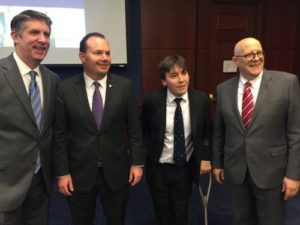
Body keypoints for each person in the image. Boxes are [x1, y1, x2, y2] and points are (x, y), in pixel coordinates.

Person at [52, 32, 145, 225]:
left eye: (108, 53)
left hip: (117, 171)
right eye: (98, 53)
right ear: (82, 57)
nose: (105, 58)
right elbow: (59, 135)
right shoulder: (65, 88)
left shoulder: (125, 86)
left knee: (116, 220)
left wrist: (137, 163)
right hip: (79, 173)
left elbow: (135, 130)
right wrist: (62, 172)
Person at [212, 37, 300, 225]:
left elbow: (295, 133)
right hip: (237, 170)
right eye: (249, 54)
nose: (256, 58)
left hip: (272, 171)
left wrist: (293, 174)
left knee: (271, 221)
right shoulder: (223, 89)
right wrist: (218, 163)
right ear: (235, 61)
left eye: (259, 53)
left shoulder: (287, 83)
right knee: (242, 219)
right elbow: (220, 131)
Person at [0, 10, 59, 225]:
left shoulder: (52, 79)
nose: (43, 40)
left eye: (46, 33)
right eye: (35, 32)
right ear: (15, 36)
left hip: (40, 182)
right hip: (5, 184)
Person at [141, 55, 212, 225]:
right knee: (162, 211)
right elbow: (143, 131)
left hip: (184, 167)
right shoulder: (152, 101)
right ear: (164, 81)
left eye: (184, 73)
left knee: (181, 211)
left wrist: (206, 158)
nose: (181, 80)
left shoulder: (200, 100)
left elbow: (208, 132)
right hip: (159, 168)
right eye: (173, 76)